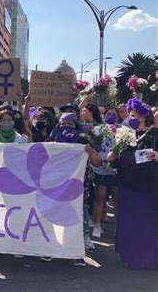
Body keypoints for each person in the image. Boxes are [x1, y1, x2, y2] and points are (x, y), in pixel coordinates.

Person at [107, 98, 157, 270]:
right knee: (129, 222)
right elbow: (121, 160)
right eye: (129, 115)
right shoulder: (128, 136)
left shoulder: (154, 135)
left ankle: (146, 258)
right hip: (128, 185)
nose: (130, 117)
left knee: (145, 223)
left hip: (147, 187)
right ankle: (129, 255)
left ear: (143, 116)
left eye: (134, 115)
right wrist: (113, 158)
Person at [49, 113, 102, 266]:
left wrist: (90, 152)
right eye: (63, 123)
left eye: (70, 124)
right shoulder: (52, 141)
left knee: (76, 219)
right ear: (58, 125)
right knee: (53, 217)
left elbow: (98, 162)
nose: (66, 127)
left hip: (78, 188)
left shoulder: (82, 141)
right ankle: (51, 249)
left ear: (76, 126)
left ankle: (76, 253)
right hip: (56, 187)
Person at [91, 107, 119, 238]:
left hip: (116, 170)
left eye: (114, 114)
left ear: (118, 117)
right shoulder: (99, 130)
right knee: (100, 198)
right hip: (100, 168)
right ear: (104, 115)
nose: (111, 116)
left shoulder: (123, 131)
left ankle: (120, 227)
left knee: (117, 200)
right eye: (109, 114)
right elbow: (93, 146)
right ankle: (97, 226)